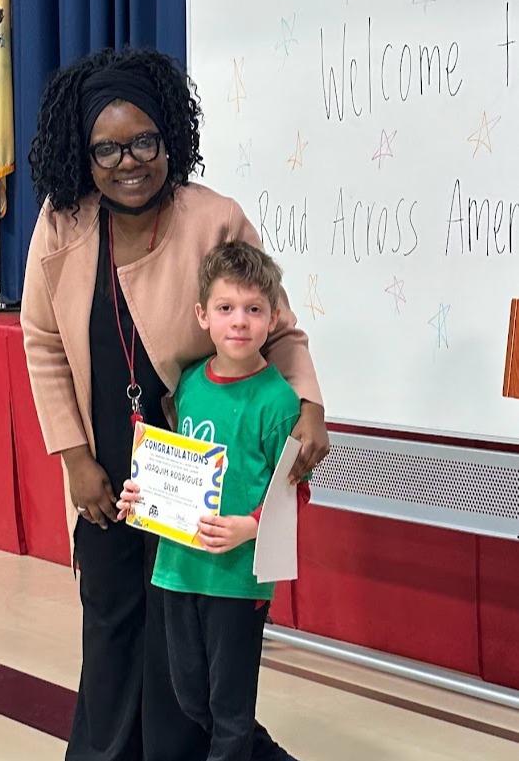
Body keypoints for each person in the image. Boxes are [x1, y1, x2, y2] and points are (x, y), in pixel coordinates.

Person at [21, 46, 328, 761]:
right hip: (106, 477)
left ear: (170, 136)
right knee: (111, 632)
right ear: (84, 151)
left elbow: (274, 325)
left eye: (144, 141)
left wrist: (308, 401)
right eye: (107, 148)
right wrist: (73, 458)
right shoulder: (62, 222)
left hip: (198, 472)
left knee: (182, 656)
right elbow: (40, 340)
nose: (129, 162)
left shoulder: (212, 217)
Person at [118, 240, 312, 761]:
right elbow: (173, 468)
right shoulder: (188, 386)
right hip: (178, 569)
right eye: (226, 309)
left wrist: (251, 527)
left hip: (236, 578)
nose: (240, 322)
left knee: (229, 712)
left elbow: (295, 489)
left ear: (273, 318)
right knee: (194, 701)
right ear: (203, 316)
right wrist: (142, 494)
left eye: (254, 310)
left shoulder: (278, 402)